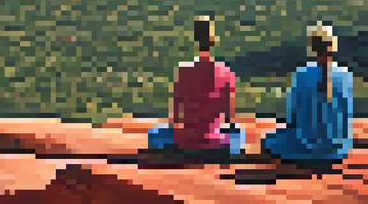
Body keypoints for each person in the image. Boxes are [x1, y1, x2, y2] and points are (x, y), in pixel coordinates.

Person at [145, 15, 245, 156]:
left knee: (155, 132)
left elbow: (175, 117)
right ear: (213, 39)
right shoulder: (226, 72)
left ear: (195, 40)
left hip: (185, 141)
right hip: (214, 142)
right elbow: (229, 118)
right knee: (239, 132)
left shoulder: (182, 70)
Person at [260, 22, 354, 166]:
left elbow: (292, 118)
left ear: (312, 48)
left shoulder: (301, 75)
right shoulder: (346, 75)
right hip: (339, 150)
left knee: (268, 140)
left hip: (308, 148)